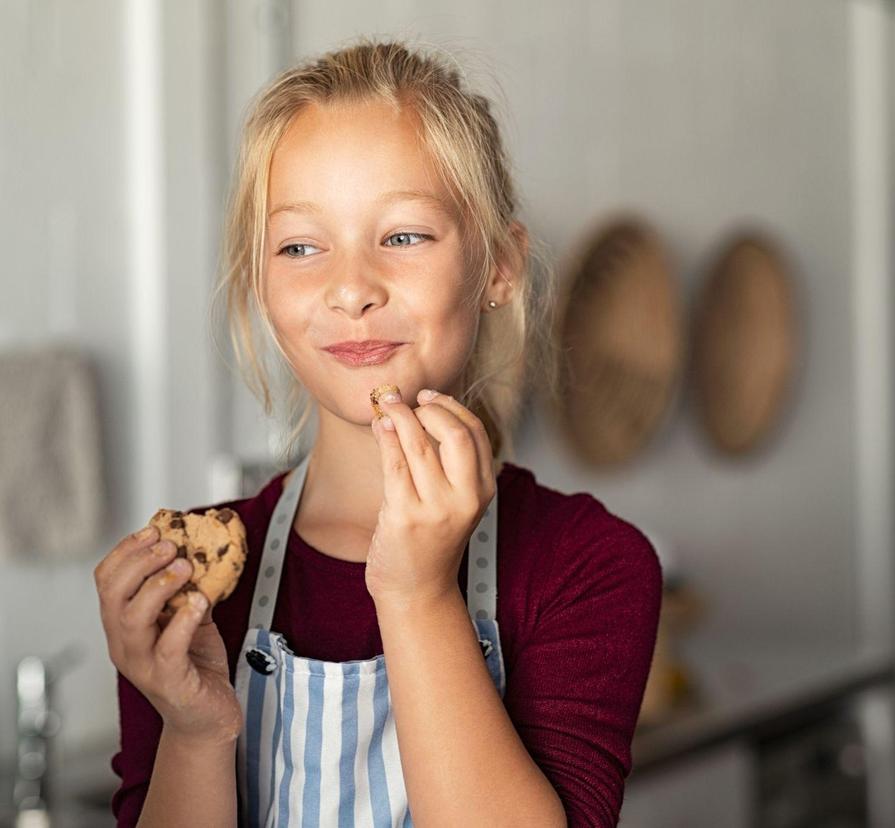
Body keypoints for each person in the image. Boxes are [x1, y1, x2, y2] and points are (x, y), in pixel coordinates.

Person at [94, 38, 663, 827]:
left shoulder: (588, 565)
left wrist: (418, 592)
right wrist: (196, 730)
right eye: (299, 246)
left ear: (498, 266)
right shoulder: (192, 592)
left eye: (403, 236)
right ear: (260, 283)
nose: (351, 288)